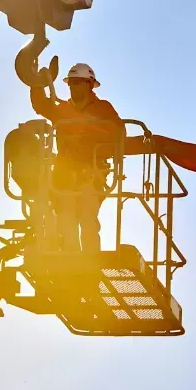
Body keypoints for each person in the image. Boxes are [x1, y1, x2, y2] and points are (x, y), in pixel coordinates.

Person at [30, 63, 123, 254]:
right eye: (71, 83)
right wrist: (36, 82)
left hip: (92, 172)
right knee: (65, 216)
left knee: (87, 217)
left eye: (78, 82)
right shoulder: (62, 109)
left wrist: (91, 139)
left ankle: (90, 261)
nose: (74, 86)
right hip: (64, 173)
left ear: (90, 84)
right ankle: (72, 262)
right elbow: (40, 105)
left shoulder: (103, 108)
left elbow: (119, 135)